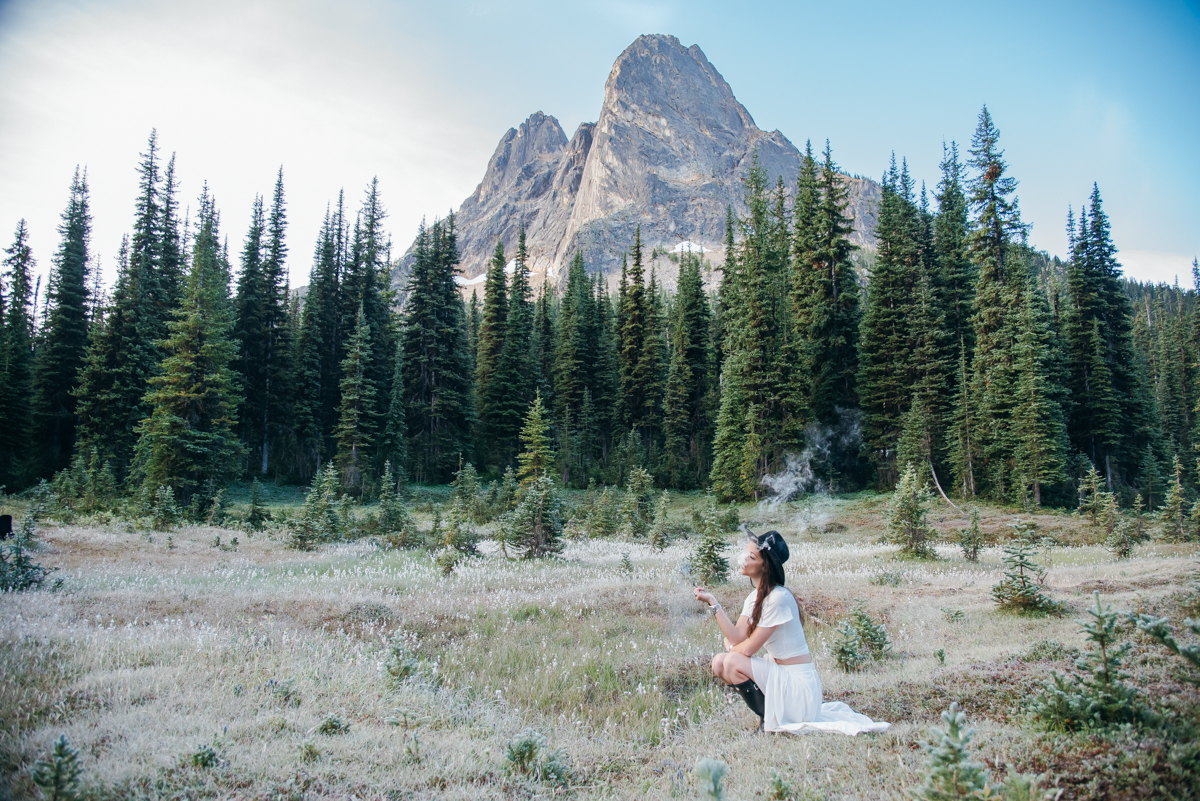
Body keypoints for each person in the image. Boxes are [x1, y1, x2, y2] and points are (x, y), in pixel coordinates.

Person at [693, 528, 889, 735]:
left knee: (730, 660)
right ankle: (767, 718)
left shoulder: (779, 598)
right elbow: (736, 636)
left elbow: (747, 648)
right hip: (780, 676)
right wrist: (713, 603)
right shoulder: (754, 598)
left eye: (751, 556)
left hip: (799, 689)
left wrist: (733, 647)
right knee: (719, 662)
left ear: (764, 566)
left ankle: (768, 722)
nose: (743, 559)